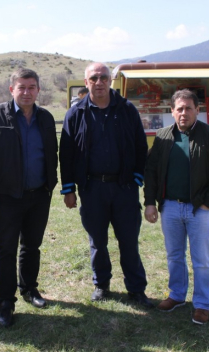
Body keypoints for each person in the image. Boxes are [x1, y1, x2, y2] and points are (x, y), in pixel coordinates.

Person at [59, 62, 153, 308]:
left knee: (129, 241)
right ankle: (101, 284)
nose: (99, 82)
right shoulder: (76, 113)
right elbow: (66, 155)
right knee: (97, 241)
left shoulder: (127, 110)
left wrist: (136, 178)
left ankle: (136, 289)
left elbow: (141, 147)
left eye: (103, 77)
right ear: (86, 81)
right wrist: (68, 189)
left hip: (124, 188)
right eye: (94, 78)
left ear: (110, 80)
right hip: (92, 189)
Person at [0, 68, 58, 327]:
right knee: (6, 250)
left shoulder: (45, 118)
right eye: (21, 87)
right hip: (7, 196)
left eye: (31, 87)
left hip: (38, 195)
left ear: (38, 90)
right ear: (11, 89)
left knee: (32, 246)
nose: (26, 92)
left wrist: (51, 185)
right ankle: (5, 302)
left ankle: (29, 289)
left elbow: (51, 154)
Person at [144, 89, 209, 325]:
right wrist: (150, 202)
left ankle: (202, 304)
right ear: (172, 111)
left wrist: (207, 202)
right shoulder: (162, 137)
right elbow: (151, 172)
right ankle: (177, 295)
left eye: (188, 108)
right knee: (174, 256)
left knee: (201, 259)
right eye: (179, 109)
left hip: (198, 209)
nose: (183, 113)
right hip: (170, 207)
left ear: (197, 110)